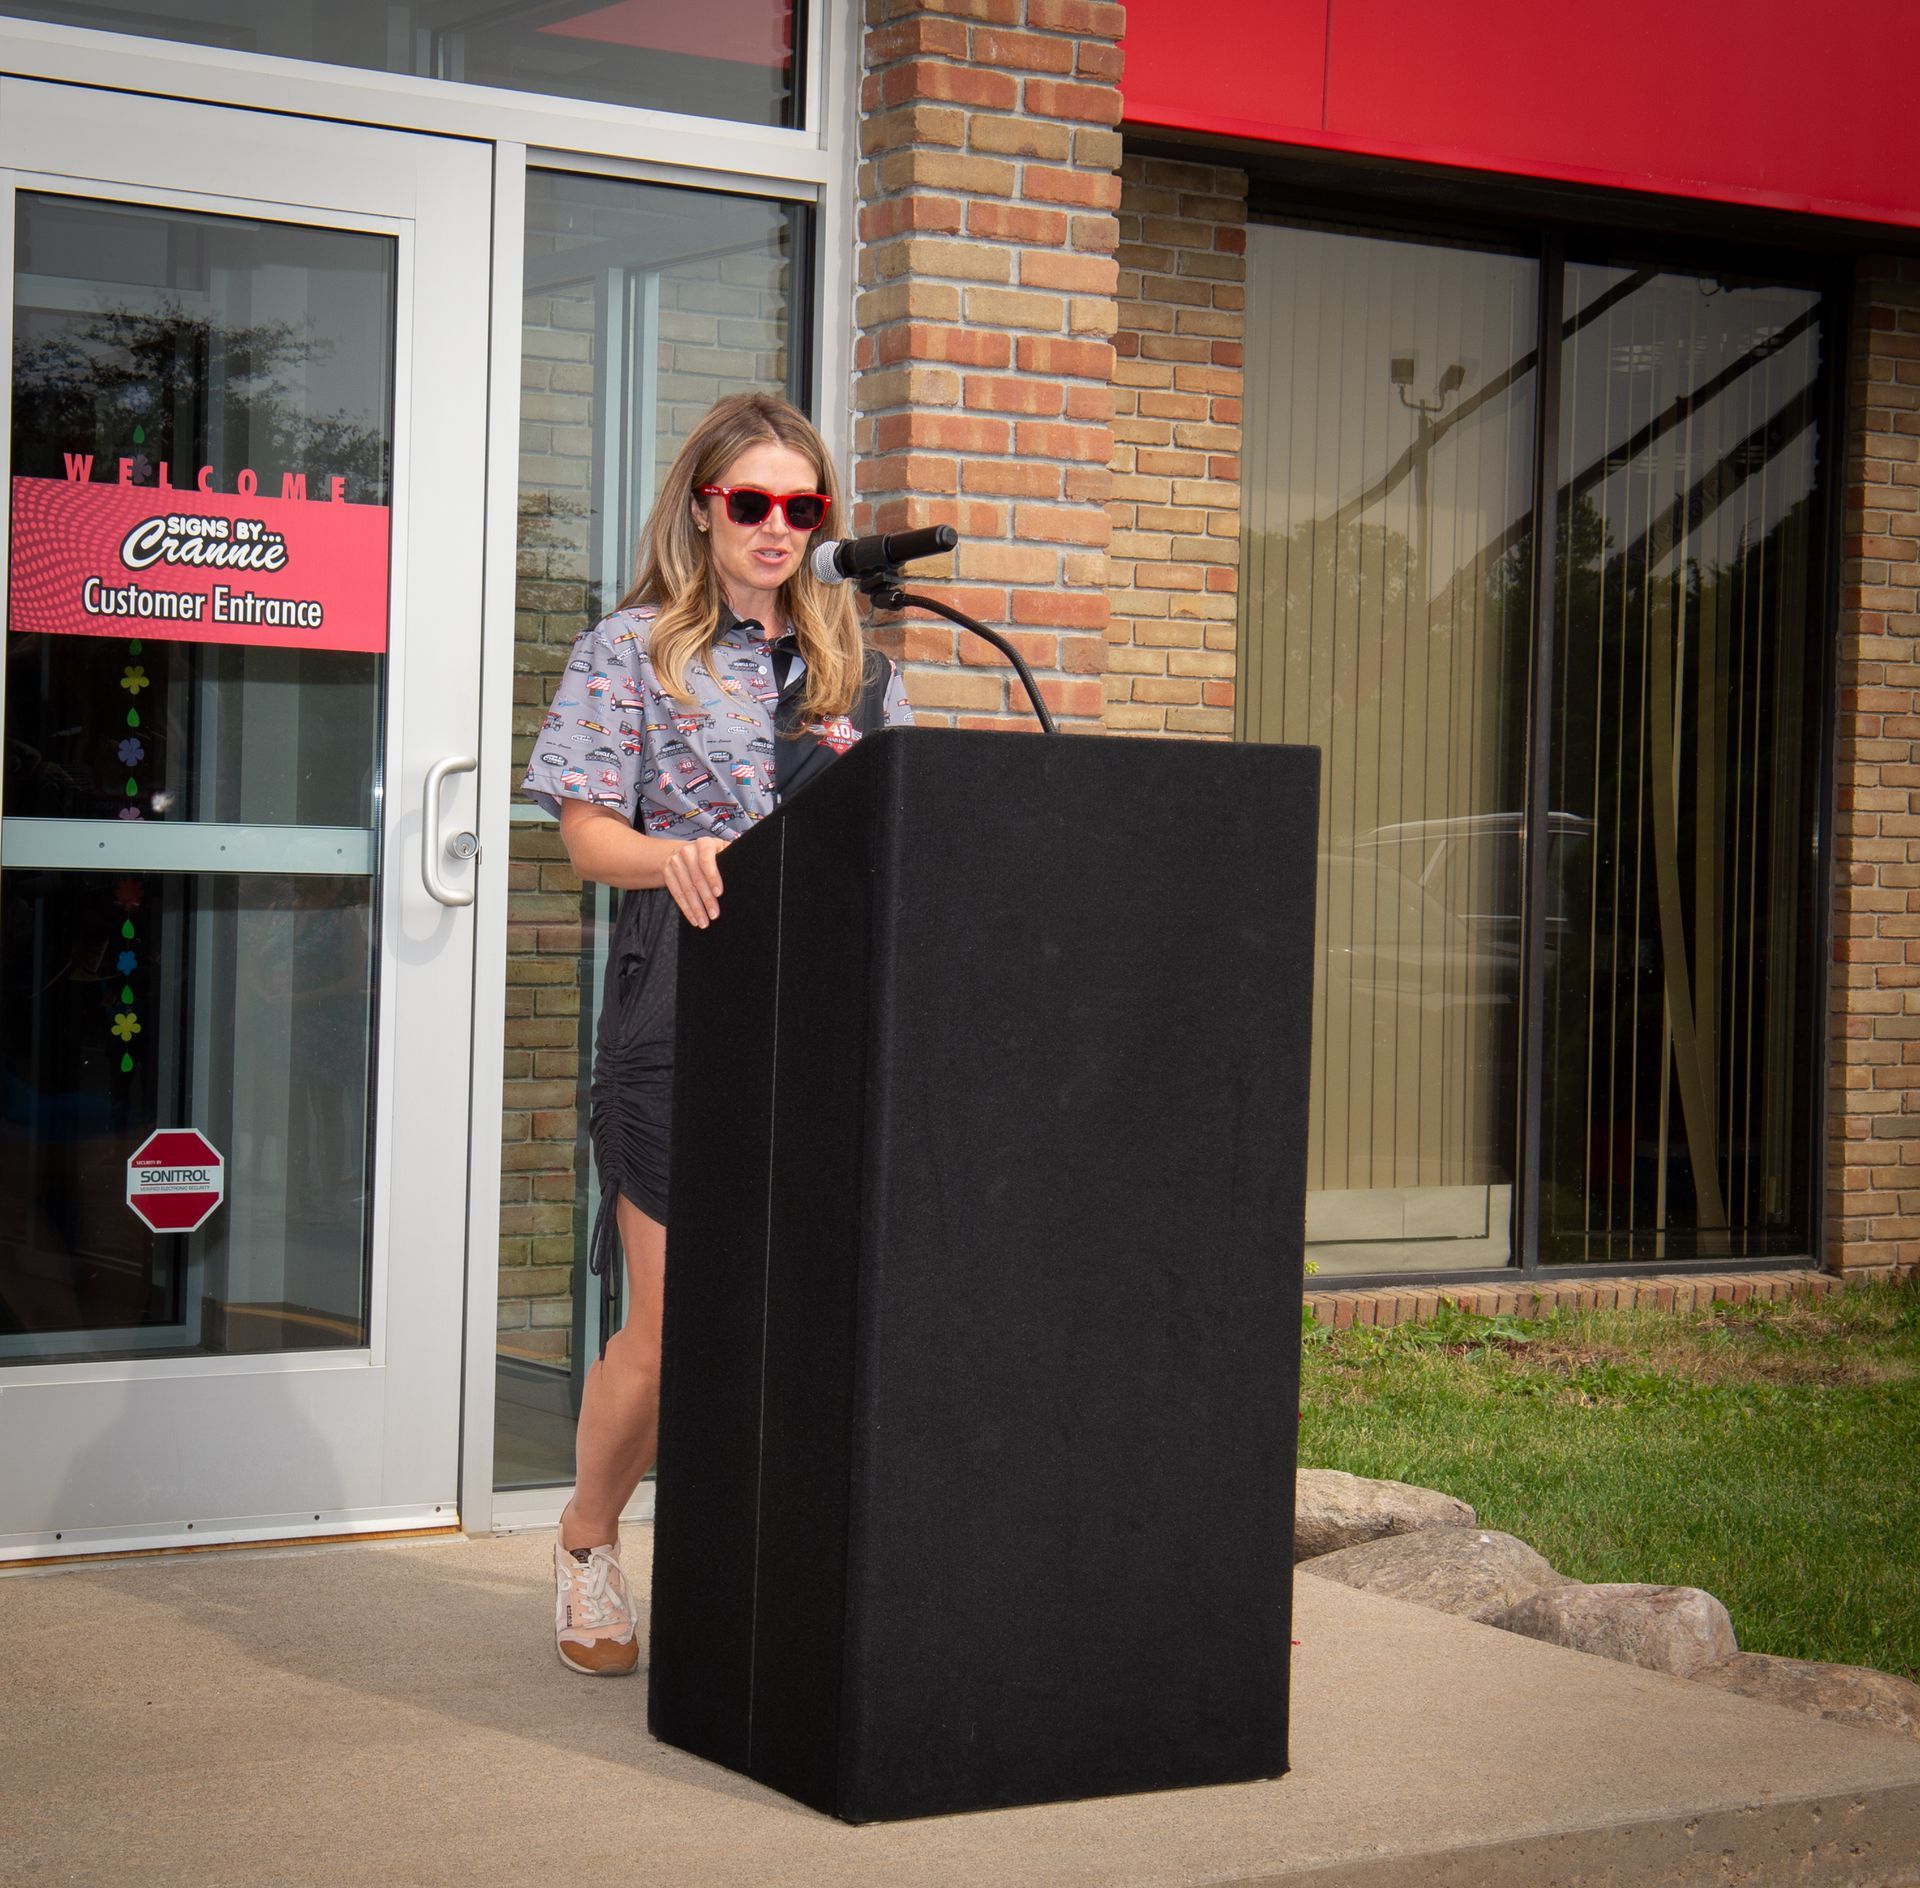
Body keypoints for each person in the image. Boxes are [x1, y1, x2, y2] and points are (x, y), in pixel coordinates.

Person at [520, 390, 912, 1675]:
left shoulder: (856, 668)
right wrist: (674, 851)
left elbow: (904, 829)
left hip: (824, 1012)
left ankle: (764, 1568)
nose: (779, 528)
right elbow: (584, 835)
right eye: (753, 503)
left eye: (805, 508)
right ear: (704, 507)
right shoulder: (630, 651)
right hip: (677, 1008)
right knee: (678, 1315)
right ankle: (588, 1541)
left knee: (803, 1309)